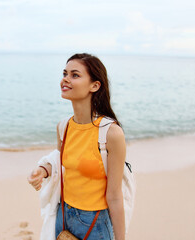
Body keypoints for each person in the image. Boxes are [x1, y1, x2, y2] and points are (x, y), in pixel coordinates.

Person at [27, 53, 126, 240]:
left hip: (95, 221)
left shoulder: (111, 133)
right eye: (64, 73)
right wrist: (43, 169)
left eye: (75, 75)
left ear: (95, 86)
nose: (65, 79)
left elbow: (114, 195)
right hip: (63, 215)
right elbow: (61, 162)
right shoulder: (63, 126)